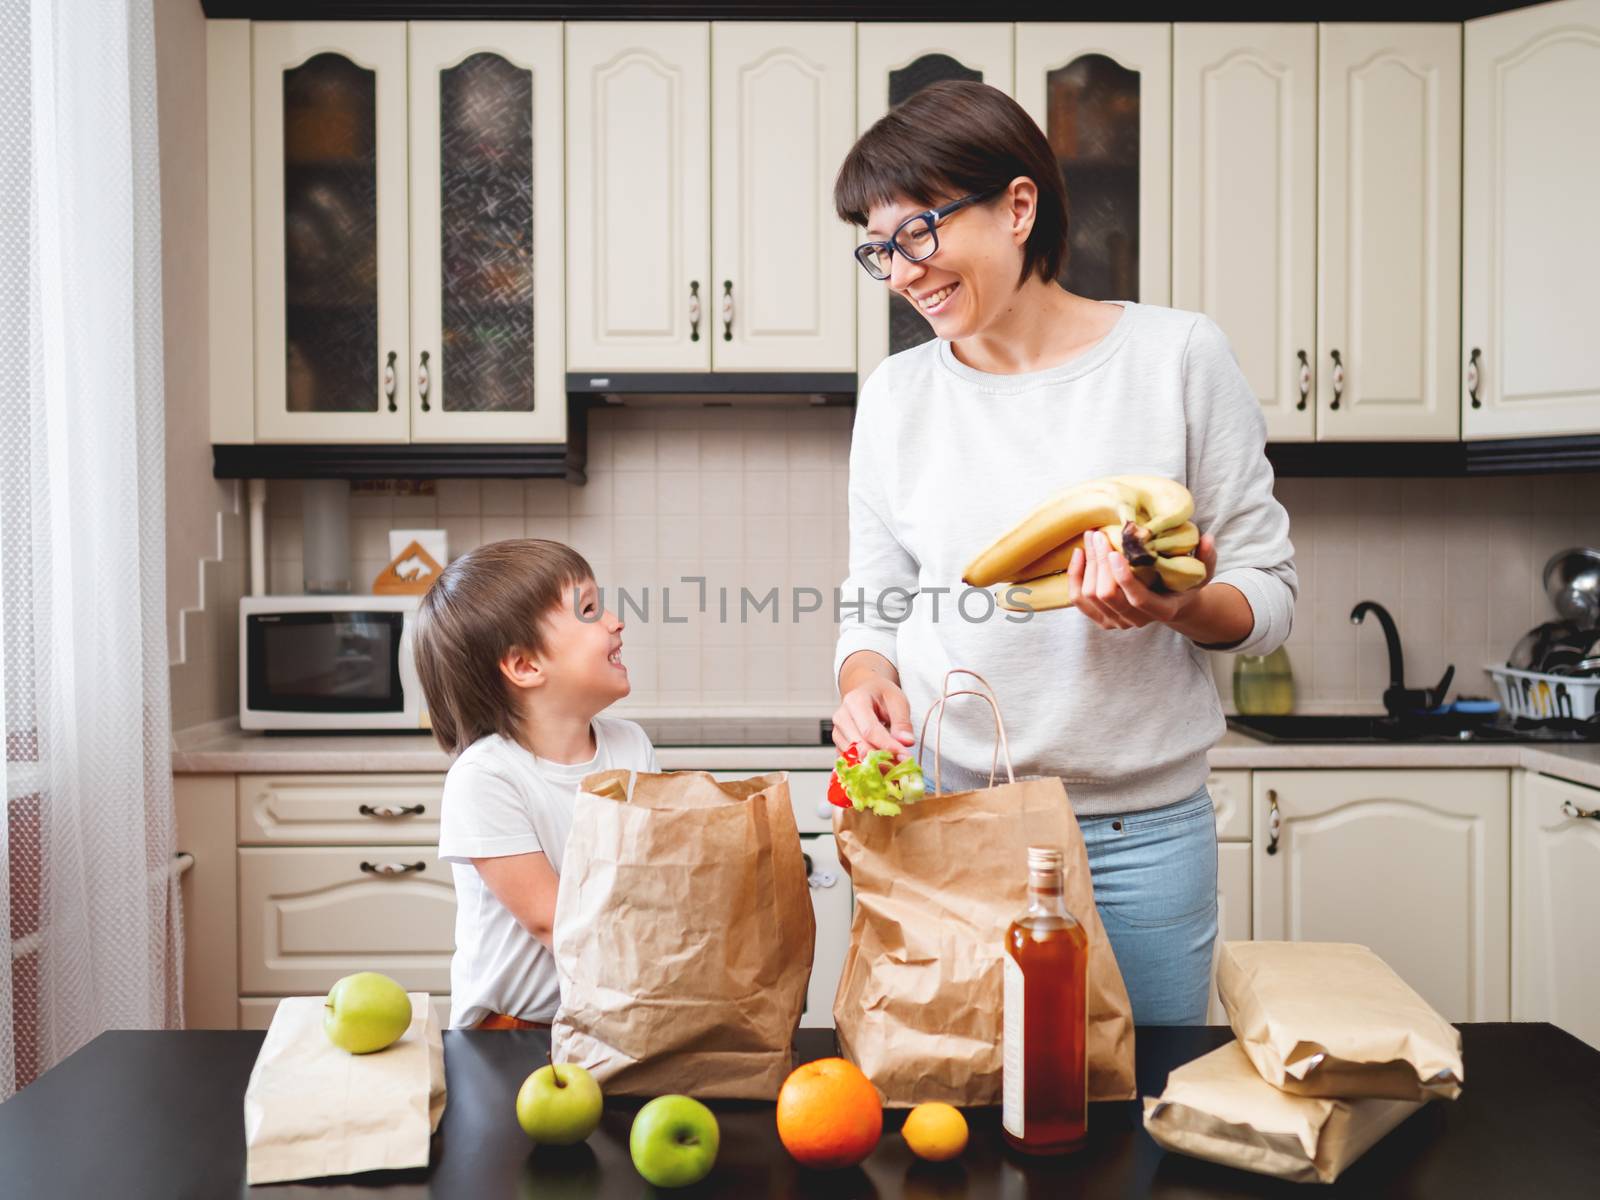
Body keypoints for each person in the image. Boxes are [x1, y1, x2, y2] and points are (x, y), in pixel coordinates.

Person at [829, 81, 1297, 1025]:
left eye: (918, 233)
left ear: (1017, 206)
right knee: (950, 1111)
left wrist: (1175, 605)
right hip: (950, 818)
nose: (902, 272)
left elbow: (1267, 594)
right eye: (879, 250)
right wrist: (861, 678)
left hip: (1141, 837)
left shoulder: (1177, 359)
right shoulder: (896, 396)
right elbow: (875, 599)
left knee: (1134, 1122)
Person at [413, 539, 657, 1029]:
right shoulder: (486, 778)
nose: (614, 621)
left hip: (613, 1014)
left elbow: (651, 876)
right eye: (588, 609)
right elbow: (555, 922)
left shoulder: (631, 746)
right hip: (512, 1032)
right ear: (525, 666)